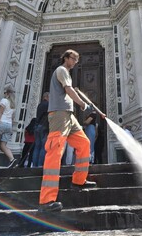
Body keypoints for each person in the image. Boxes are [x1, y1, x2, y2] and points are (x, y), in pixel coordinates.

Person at [38, 49, 102, 213]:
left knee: (84, 143)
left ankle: (79, 180)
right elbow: (68, 89)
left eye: (77, 59)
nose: (75, 62)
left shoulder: (66, 72)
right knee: (55, 151)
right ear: (66, 58)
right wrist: (83, 104)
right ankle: (46, 200)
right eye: (73, 58)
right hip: (59, 115)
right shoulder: (61, 70)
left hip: (68, 115)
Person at [0, 87, 18, 169]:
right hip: (8, 125)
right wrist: (11, 128)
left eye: (5, 93)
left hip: (2, 123)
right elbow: (12, 118)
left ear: (7, 93)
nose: (4, 94)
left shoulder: (4, 101)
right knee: (2, 145)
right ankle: (12, 159)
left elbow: (0, 113)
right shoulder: (13, 105)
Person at [32, 92, 50, 167]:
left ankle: (34, 165)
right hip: (44, 127)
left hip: (37, 126)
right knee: (43, 147)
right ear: (46, 97)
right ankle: (40, 165)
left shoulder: (39, 105)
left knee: (37, 147)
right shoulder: (48, 105)